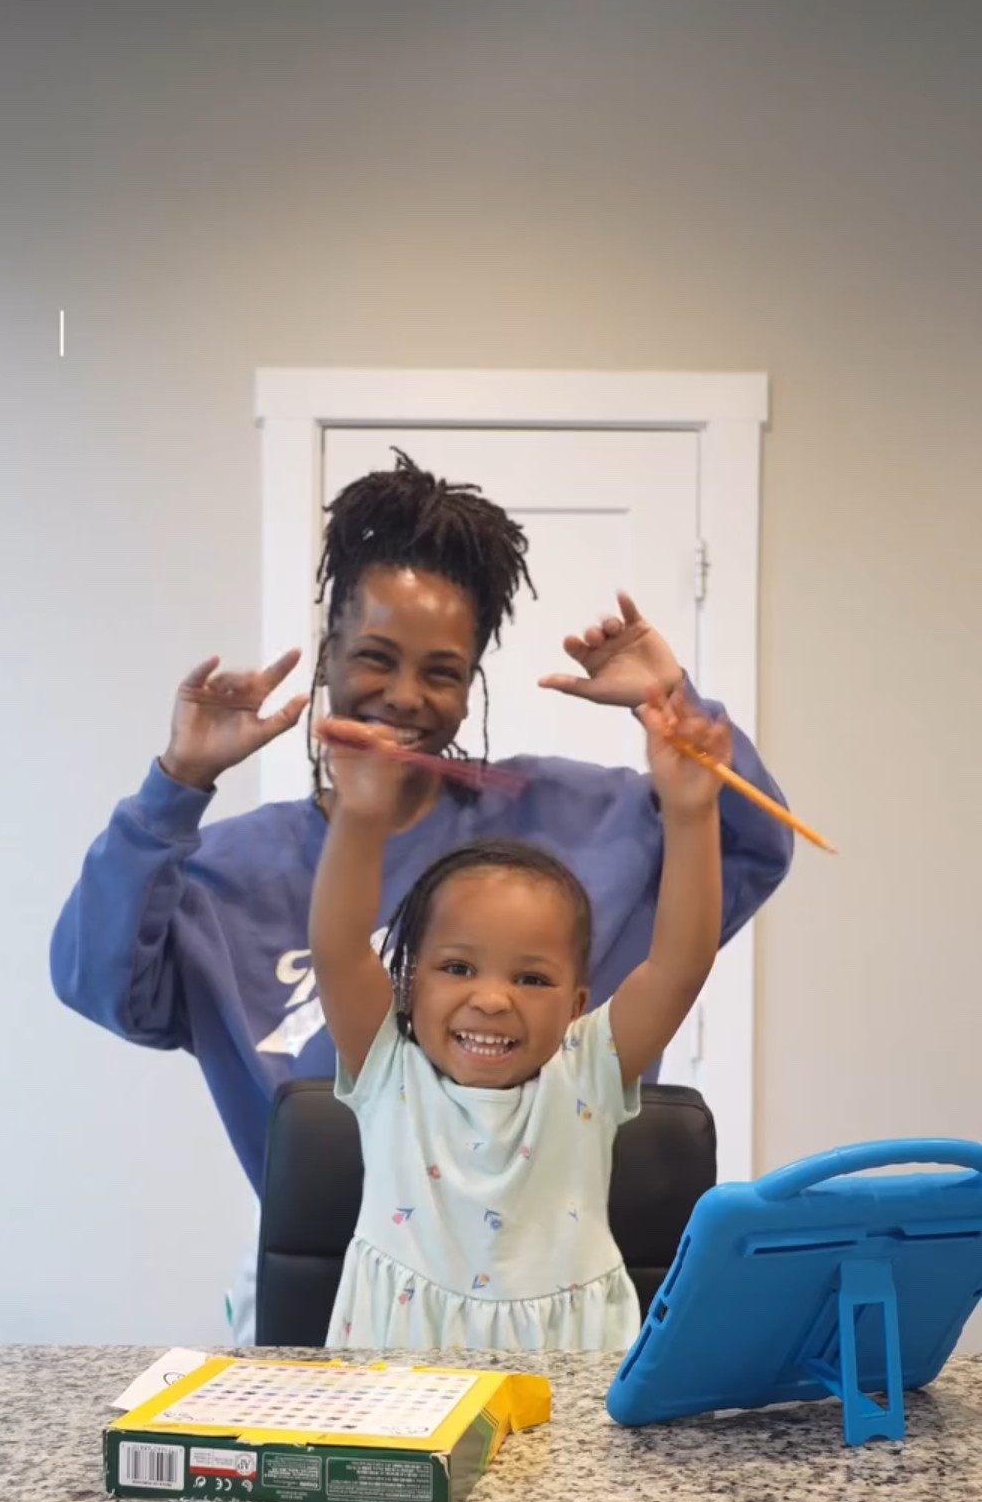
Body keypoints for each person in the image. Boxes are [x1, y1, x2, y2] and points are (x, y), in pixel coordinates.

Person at [50, 454, 793, 1341]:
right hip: (341, 1299)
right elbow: (100, 985)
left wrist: (682, 718)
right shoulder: (224, 873)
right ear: (326, 656)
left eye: (441, 671)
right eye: (374, 658)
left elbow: (747, 850)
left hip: (554, 1311)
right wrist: (178, 784)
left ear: (472, 679)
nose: (405, 696)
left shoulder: (573, 819)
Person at [310, 697, 727, 1352]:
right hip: (397, 1378)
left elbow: (680, 965)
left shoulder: (588, 1068)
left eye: (532, 979)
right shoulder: (387, 1063)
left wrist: (691, 810)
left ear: (575, 1002)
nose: (494, 1000)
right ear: (409, 983)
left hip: (570, 1369)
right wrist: (362, 817)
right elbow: (336, 949)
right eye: (457, 967)